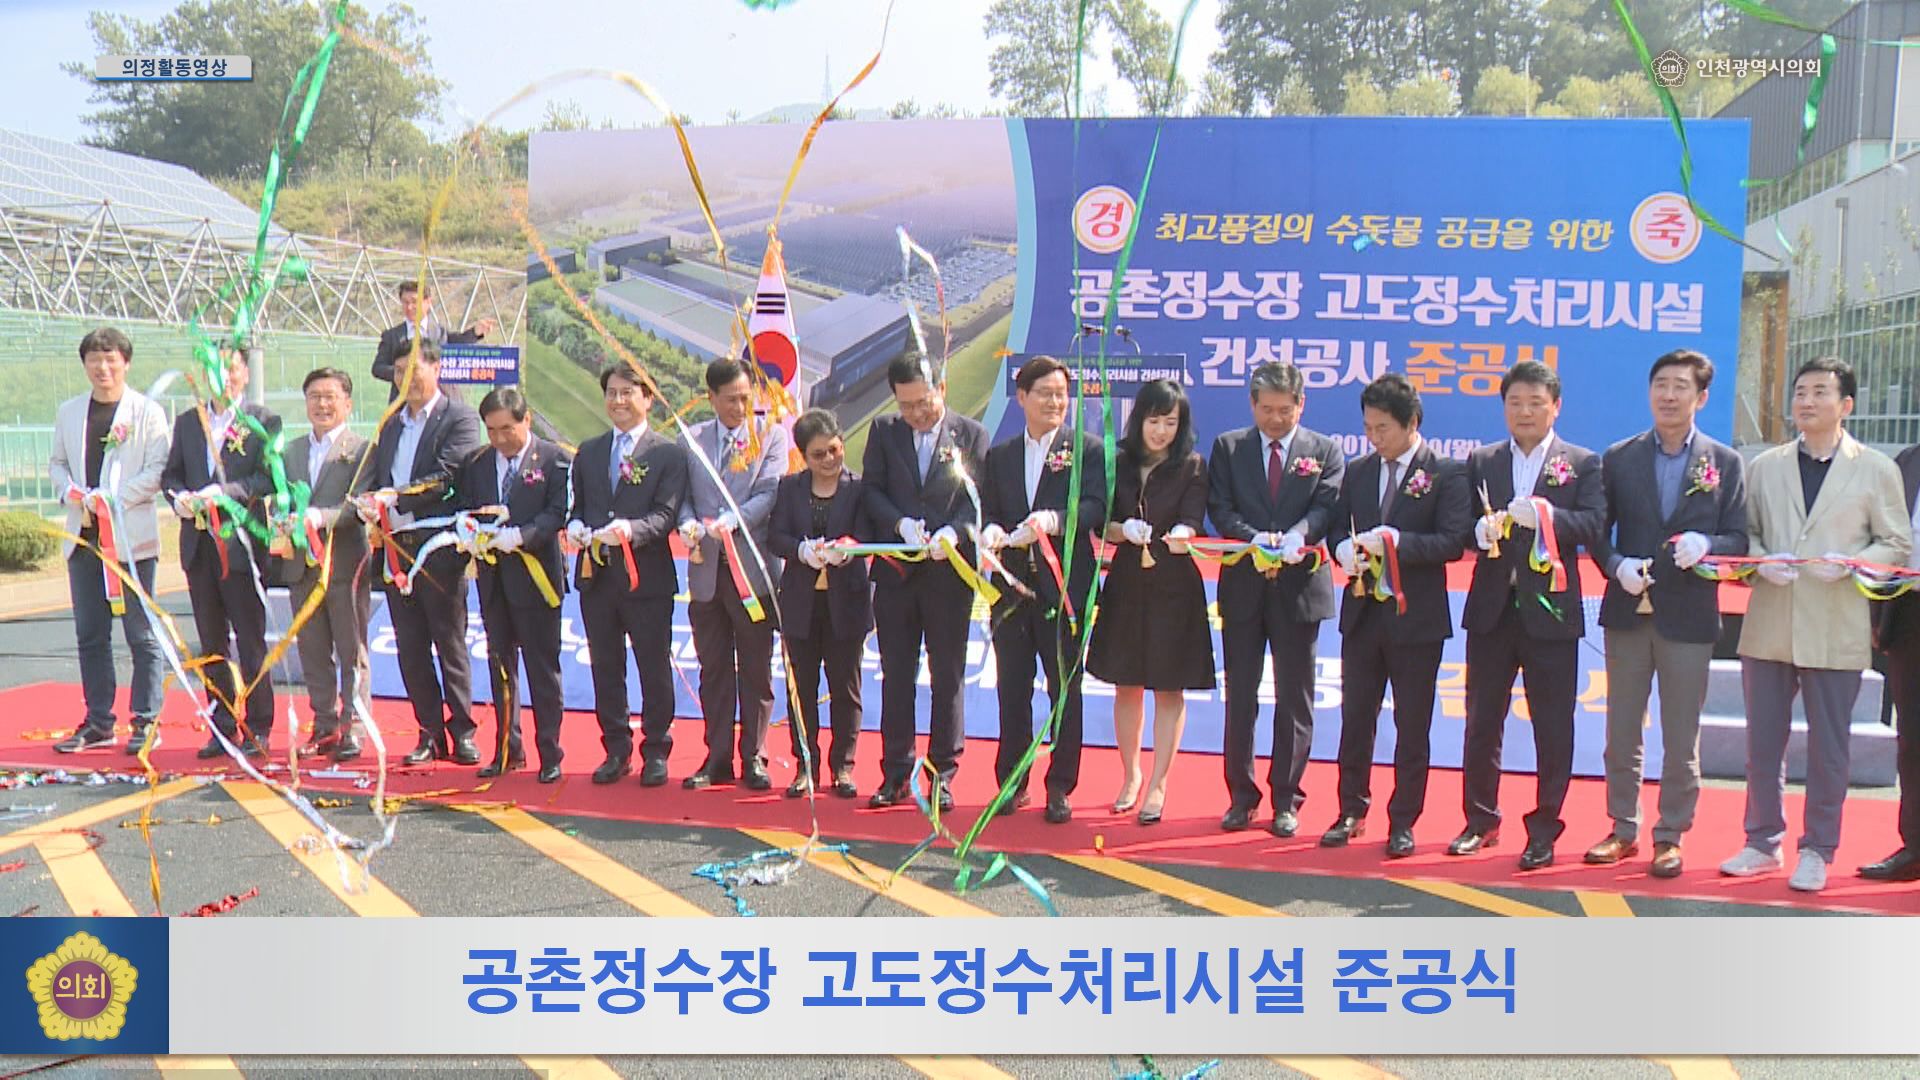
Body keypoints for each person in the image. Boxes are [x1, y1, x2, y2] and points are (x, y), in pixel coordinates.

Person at [1724, 357, 1912, 892]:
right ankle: (1762, 841)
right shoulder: (1766, 466)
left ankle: (1818, 847)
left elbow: (1895, 541)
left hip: (1836, 622)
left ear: (1845, 405)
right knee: (1763, 742)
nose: (1805, 402)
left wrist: (1855, 564)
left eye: (1819, 393)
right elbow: (1746, 534)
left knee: (1830, 746)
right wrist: (1763, 560)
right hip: (1770, 622)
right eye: (1800, 392)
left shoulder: (1876, 468)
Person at [1584, 350, 1748, 878]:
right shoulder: (1620, 456)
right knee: (1622, 729)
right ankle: (1622, 827)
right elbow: (1595, 531)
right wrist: (1615, 566)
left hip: (1690, 618)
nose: (1668, 395)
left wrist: (1708, 543)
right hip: (1629, 610)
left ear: (1701, 397)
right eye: (1660, 384)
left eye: (1680, 386)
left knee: (1681, 735)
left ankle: (1671, 833)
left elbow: (1740, 540)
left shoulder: (1723, 463)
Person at [1456, 360, 1607, 871]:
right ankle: (1480, 820)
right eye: (1515, 402)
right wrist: (1476, 534)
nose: (1524, 412)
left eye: (1535, 403)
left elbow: (1592, 523)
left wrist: (1548, 517)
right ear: (1503, 407)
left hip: (1551, 613)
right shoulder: (1482, 460)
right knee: (1481, 721)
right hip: (1492, 612)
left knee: (1552, 725)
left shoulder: (1581, 463)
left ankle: (1544, 828)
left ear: (1555, 406)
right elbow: (1458, 525)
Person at [1324, 374, 1470, 857]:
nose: (1373, 437)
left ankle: (1403, 819)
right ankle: (1351, 809)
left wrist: (1396, 542)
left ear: (1412, 423)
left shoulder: (1446, 473)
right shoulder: (1360, 471)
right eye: (1367, 427)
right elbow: (1335, 530)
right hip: (1364, 614)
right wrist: (1343, 549)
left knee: (1412, 725)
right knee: (1355, 717)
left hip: (1417, 620)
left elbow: (1452, 541)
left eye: (1382, 428)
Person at [1205, 361, 1345, 837]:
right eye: (1267, 410)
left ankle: (1288, 797)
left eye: (1285, 411)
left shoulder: (1324, 450)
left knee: (1295, 697)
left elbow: (1327, 506)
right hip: (1244, 585)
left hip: (1299, 586)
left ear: (1301, 405)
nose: (1276, 420)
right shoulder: (1229, 447)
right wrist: (1253, 539)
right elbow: (1219, 507)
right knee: (1240, 697)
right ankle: (1240, 797)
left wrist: (1296, 536)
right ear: (1252, 404)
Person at [980, 355, 1108, 823]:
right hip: (1011, 591)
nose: (1056, 402)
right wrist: (991, 532)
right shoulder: (1001, 455)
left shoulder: (1087, 449)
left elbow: (1097, 506)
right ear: (1022, 399)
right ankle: (1011, 784)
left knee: (1064, 690)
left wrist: (1054, 520)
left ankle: (1060, 785)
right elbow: (990, 509)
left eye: (1061, 394)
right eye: (1045, 394)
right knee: (1011, 690)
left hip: (1065, 589)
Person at [860, 355, 991, 811]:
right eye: (907, 405)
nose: (917, 413)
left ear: (941, 387)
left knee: (947, 674)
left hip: (947, 574)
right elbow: (871, 490)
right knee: (896, 673)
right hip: (897, 572)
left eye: (924, 401)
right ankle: (895, 771)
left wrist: (954, 532)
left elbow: (978, 498)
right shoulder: (884, 433)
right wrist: (899, 525)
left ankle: (941, 773)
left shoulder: (970, 434)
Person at [1085, 378, 1212, 825]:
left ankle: (1159, 782)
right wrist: (1122, 530)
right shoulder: (1115, 460)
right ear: (1139, 419)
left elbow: (1195, 518)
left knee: (1168, 686)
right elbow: (1100, 520)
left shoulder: (1192, 466)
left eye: (1170, 423)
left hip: (1174, 585)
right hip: (1126, 583)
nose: (1160, 431)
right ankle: (1131, 774)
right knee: (1126, 683)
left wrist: (1185, 534)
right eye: (1153, 421)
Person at [356, 340, 486, 765]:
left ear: (436, 368)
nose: (406, 380)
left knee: (449, 642)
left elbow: (448, 475)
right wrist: (367, 500)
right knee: (411, 646)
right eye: (398, 372)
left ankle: (463, 730)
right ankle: (429, 733)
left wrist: (395, 496)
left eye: (414, 369)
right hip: (395, 548)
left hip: (439, 549)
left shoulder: (459, 417)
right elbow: (374, 473)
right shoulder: (391, 423)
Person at [50, 327, 171, 755]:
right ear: (84, 365)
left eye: (111, 359)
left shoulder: (147, 413)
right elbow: (58, 463)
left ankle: (146, 719)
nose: (103, 367)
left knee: (141, 633)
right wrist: (70, 492)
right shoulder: (69, 412)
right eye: (94, 360)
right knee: (90, 633)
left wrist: (113, 500)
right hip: (83, 539)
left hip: (130, 542)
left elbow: (157, 471)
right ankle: (99, 721)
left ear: (125, 362)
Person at [568, 363, 689, 786]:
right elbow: (578, 507)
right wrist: (576, 527)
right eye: (612, 393)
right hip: (597, 579)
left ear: (647, 398)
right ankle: (615, 748)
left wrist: (632, 531)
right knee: (606, 666)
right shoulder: (590, 450)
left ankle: (656, 748)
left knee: (653, 665)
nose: (618, 401)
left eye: (627, 393)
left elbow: (667, 515)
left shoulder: (667, 453)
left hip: (648, 580)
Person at [162, 347, 282, 758]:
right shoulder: (188, 422)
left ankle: (260, 725)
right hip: (199, 547)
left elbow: (267, 478)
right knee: (211, 641)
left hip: (241, 545)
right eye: (215, 370)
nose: (223, 378)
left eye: (230, 370)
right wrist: (177, 497)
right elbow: (172, 474)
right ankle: (222, 722)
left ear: (244, 374)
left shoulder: (262, 422)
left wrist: (226, 493)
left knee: (250, 640)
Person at [678, 358, 790, 791]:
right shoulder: (694, 440)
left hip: (752, 572)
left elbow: (769, 493)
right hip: (706, 571)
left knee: (756, 668)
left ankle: (755, 756)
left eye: (746, 398)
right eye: (730, 400)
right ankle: (717, 755)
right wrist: (688, 523)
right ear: (711, 398)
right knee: (713, 668)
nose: (740, 407)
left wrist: (731, 520)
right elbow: (683, 497)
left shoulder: (771, 437)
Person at [454, 388, 572, 782]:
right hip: (493, 579)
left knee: (542, 668)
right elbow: (467, 506)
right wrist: (469, 532)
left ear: (527, 420)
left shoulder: (554, 460)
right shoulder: (479, 462)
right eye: (492, 430)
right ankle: (508, 747)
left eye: (508, 429)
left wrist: (523, 535)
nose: (501, 439)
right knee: (501, 664)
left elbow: (558, 512)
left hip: (537, 579)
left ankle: (550, 752)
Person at [768, 409, 873, 799]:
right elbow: (775, 536)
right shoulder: (789, 488)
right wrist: (800, 550)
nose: (829, 460)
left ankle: (843, 767)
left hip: (847, 601)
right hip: (800, 603)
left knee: (846, 688)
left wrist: (849, 548)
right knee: (802, 688)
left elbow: (868, 532)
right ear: (803, 456)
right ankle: (805, 765)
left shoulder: (860, 489)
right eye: (818, 455)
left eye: (833, 450)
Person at [278, 367, 373, 764]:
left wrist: (322, 517)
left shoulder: (363, 449)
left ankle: (354, 726)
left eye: (330, 396)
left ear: (347, 403)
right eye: (314, 395)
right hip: (301, 566)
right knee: (313, 650)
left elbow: (360, 504)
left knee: (352, 652)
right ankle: (324, 722)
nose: (322, 403)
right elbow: (280, 499)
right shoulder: (292, 452)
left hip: (346, 565)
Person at [1864, 439, 1920, 882]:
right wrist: (1875, 613)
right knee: (1913, 738)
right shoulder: (1908, 460)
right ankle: (1915, 846)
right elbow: (1885, 537)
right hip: (1910, 610)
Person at [370, 281, 496, 400]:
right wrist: (404, 373)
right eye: (405, 302)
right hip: (404, 402)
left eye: (414, 302)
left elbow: (457, 341)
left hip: (442, 400)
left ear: (428, 302)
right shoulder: (392, 336)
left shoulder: (440, 333)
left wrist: (475, 332)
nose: (409, 307)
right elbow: (378, 368)